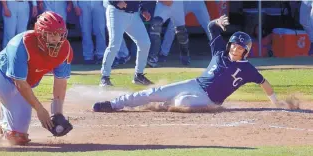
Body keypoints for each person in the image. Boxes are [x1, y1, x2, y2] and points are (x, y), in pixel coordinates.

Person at [92, 15, 280, 112]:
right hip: (195, 83)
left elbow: (263, 82)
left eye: (239, 48)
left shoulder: (247, 68)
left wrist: (276, 102)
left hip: (210, 100)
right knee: (153, 92)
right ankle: (114, 104)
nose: (234, 49)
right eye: (233, 46)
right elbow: (210, 27)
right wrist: (217, 21)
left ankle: (164, 105)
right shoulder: (220, 51)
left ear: (245, 51)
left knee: (182, 101)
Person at [0, 12, 73, 145]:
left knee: (16, 137)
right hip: (0, 75)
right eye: (51, 34)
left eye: (60, 34)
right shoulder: (21, 44)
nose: (56, 39)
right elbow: (19, 82)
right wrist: (39, 109)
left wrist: (57, 113)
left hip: (23, 88)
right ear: (40, 33)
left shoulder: (65, 50)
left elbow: (60, 83)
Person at [99, 1, 154, 87]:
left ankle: (138, 75)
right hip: (116, 12)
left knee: (145, 43)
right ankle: (104, 77)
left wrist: (143, 10)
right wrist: (116, 1)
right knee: (114, 45)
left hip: (134, 15)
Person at [147, 0, 191, 67]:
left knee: (181, 32)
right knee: (155, 25)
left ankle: (185, 54)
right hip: (161, 5)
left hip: (177, 4)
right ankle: (152, 57)